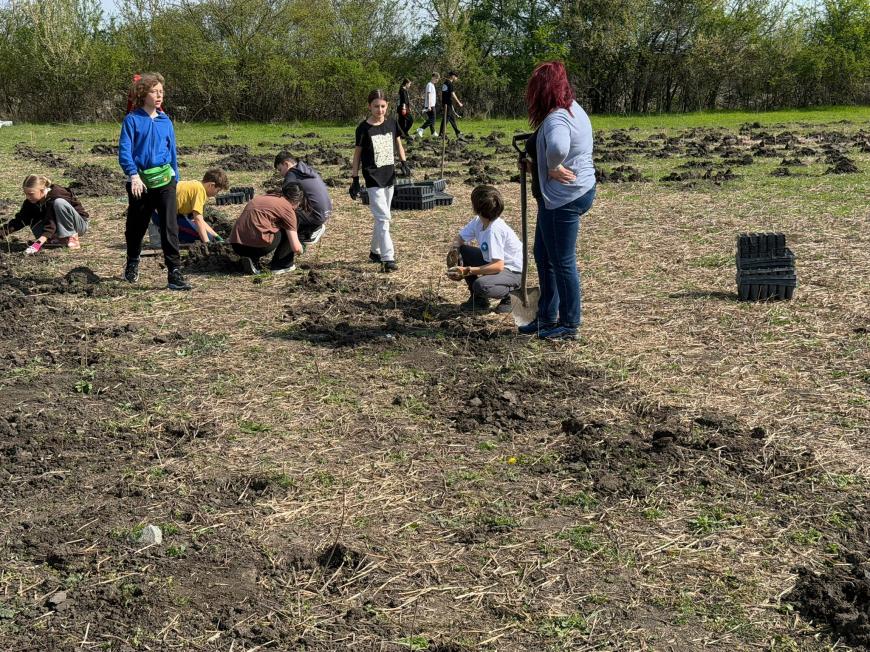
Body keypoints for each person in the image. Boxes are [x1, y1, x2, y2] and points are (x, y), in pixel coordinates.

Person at [519, 61, 596, 340]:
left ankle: (569, 323)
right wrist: (536, 167)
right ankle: (547, 316)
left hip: (564, 199)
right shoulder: (574, 109)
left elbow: (559, 146)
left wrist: (551, 166)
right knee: (543, 254)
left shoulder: (556, 118)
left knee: (562, 261)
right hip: (578, 190)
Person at [119, 72, 191, 290]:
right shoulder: (132, 120)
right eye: (154, 91)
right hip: (140, 182)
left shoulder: (165, 121)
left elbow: (172, 152)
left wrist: (174, 178)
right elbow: (125, 152)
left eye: (161, 91)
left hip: (165, 181)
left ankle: (174, 273)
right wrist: (133, 175)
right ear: (143, 94)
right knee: (136, 227)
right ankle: (133, 260)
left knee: (170, 227)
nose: (159, 95)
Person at [349, 89, 411, 273]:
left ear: (387, 106)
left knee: (381, 218)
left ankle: (375, 251)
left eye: (383, 106)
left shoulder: (392, 123)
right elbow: (357, 155)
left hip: (389, 176)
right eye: (376, 106)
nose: (380, 110)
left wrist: (404, 162)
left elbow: (398, 143)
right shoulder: (363, 129)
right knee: (384, 218)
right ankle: (388, 257)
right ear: (369, 106)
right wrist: (354, 179)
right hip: (372, 178)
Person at [447, 185, 522, 313]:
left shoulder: (494, 231)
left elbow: (498, 266)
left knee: (481, 285)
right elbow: (459, 238)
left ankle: (512, 295)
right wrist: (454, 252)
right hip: (493, 261)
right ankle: (479, 299)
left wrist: (467, 271)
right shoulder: (478, 221)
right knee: (462, 251)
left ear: (477, 208)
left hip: (512, 271)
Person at [0, 174, 89, 254]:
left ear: (42, 190)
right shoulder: (30, 202)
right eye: (26, 194)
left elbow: (51, 223)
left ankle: (71, 238)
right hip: (54, 227)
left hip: (77, 225)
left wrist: (37, 244)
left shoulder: (55, 194)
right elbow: (19, 221)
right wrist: (1, 233)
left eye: (31, 194)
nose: (28, 197)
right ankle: (56, 239)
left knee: (59, 203)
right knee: (30, 216)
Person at [230, 182, 304, 275]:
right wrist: (302, 249)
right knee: (287, 228)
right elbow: (296, 248)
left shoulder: (263, 197)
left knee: (262, 226)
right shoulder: (287, 208)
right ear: (296, 201)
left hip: (236, 245)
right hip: (257, 247)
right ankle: (281, 265)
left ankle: (252, 260)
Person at [150, 168, 229, 245]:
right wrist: (207, 243)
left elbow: (199, 220)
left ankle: (168, 231)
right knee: (201, 237)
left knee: (209, 236)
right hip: (160, 215)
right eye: (218, 190)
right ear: (211, 185)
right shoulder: (200, 191)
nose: (217, 194)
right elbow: (198, 220)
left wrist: (217, 237)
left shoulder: (197, 186)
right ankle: (163, 233)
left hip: (169, 213)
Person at [274, 151, 331, 244]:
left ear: (286, 164)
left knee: (283, 216)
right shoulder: (305, 169)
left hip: (315, 216)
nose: (281, 174)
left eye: (280, 170)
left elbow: (285, 202)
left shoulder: (291, 175)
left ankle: (305, 234)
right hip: (325, 212)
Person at [439, 71, 463, 138]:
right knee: (446, 119)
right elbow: (453, 94)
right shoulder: (449, 83)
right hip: (447, 104)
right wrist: (459, 102)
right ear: (453, 76)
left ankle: (457, 132)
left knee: (452, 118)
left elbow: (442, 94)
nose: (456, 78)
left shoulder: (445, 83)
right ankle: (441, 133)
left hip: (446, 103)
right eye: (456, 76)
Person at [417, 72, 440, 139]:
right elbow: (429, 95)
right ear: (433, 77)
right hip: (430, 105)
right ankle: (421, 129)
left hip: (431, 105)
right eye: (437, 78)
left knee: (431, 119)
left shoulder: (432, 85)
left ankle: (433, 133)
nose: (437, 80)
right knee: (433, 119)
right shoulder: (429, 85)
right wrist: (429, 106)